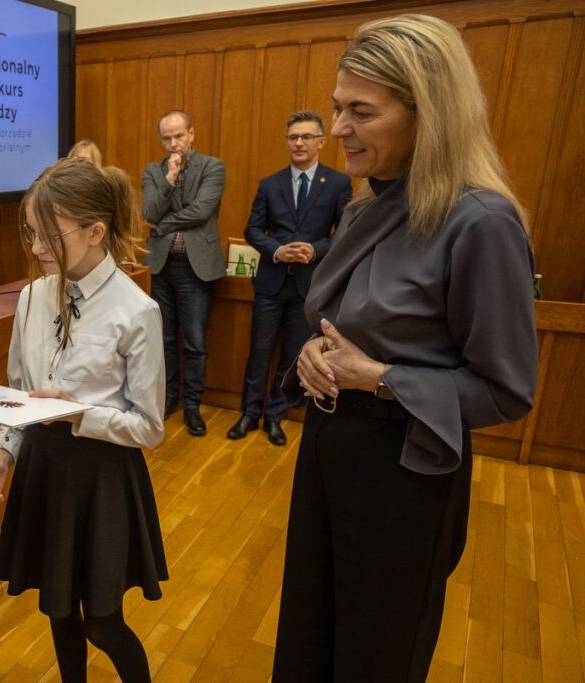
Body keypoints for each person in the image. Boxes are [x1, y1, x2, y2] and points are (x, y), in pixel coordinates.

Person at [271, 15, 537, 682]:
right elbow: (341, 325)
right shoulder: (363, 210)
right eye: (337, 107)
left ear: (429, 116)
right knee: (309, 636)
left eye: (361, 111)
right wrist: (311, 355)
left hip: (404, 476)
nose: (337, 130)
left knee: (375, 653)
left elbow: (507, 390)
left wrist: (381, 378)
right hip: (329, 452)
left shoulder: (480, 223)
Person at [0, 157, 167, 682]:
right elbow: (19, 392)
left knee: (101, 621)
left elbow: (149, 427)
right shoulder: (33, 296)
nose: (35, 249)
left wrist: (79, 414)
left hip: (102, 477)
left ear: (95, 231)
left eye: (47, 236)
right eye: (30, 234)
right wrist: (2, 455)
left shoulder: (136, 311)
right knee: (58, 609)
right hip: (45, 469)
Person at [227, 111, 351, 445]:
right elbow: (252, 229)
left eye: (306, 137)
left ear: (322, 142)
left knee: (292, 354)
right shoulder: (270, 183)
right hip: (270, 283)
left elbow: (346, 233)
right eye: (293, 137)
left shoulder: (338, 183)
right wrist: (278, 251)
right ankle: (249, 414)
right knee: (259, 352)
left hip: (308, 286)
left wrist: (316, 249)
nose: (298, 143)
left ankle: (275, 417)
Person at [141, 110, 226, 436]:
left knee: (194, 342)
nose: (173, 144)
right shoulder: (154, 172)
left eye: (179, 136)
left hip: (196, 269)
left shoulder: (213, 167)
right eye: (167, 138)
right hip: (161, 267)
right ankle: (169, 399)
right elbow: (148, 210)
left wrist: (161, 226)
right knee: (162, 340)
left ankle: (192, 406)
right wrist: (170, 178)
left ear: (192, 133)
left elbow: (202, 210)